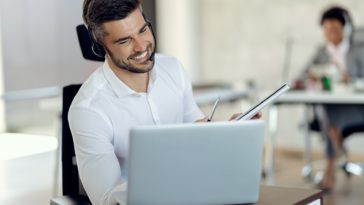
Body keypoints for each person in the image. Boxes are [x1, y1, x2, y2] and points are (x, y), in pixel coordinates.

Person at [69, 0, 257, 204]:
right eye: (125, 41)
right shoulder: (88, 110)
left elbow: (197, 130)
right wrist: (173, 164)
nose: (142, 46)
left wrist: (229, 133)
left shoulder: (173, 68)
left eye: (143, 30)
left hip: (195, 193)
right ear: (99, 46)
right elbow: (106, 199)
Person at [299, 6, 364, 191]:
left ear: (346, 29)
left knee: (326, 113)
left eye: (335, 29)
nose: (331, 34)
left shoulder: (358, 51)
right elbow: (301, 76)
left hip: (357, 110)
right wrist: (312, 77)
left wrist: (350, 80)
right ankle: (337, 147)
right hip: (330, 110)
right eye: (327, 29)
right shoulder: (321, 53)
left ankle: (330, 170)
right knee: (326, 109)